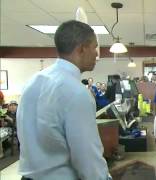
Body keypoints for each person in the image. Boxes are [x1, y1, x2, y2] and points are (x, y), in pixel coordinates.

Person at [17, 20, 112, 180]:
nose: (97, 53)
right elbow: (87, 157)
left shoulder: (33, 82)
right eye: (95, 47)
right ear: (82, 48)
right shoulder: (77, 92)